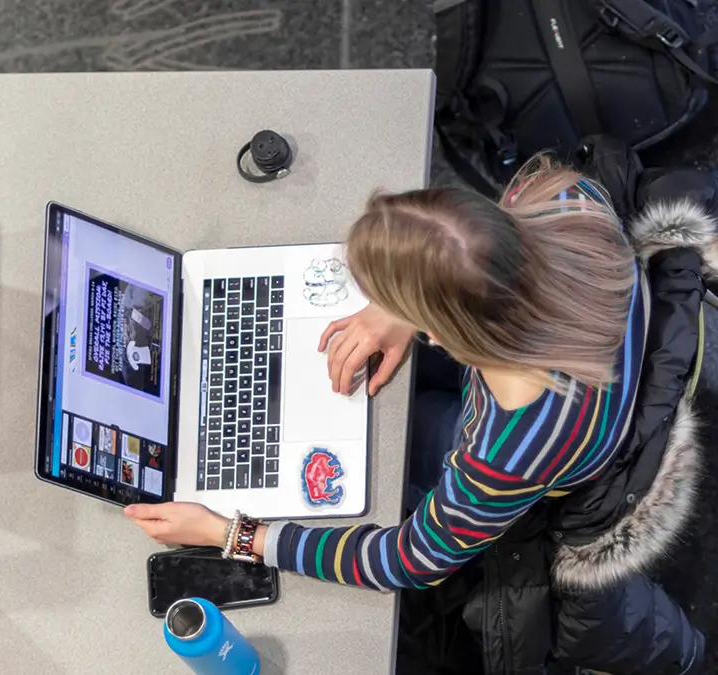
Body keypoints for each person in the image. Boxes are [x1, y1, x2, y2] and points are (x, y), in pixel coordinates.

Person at [126, 156, 711, 673]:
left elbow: (406, 560)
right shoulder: (562, 199)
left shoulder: (506, 454)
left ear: (443, 332)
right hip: (601, 391)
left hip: (549, 465)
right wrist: (402, 306)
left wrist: (232, 533)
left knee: (387, 470)